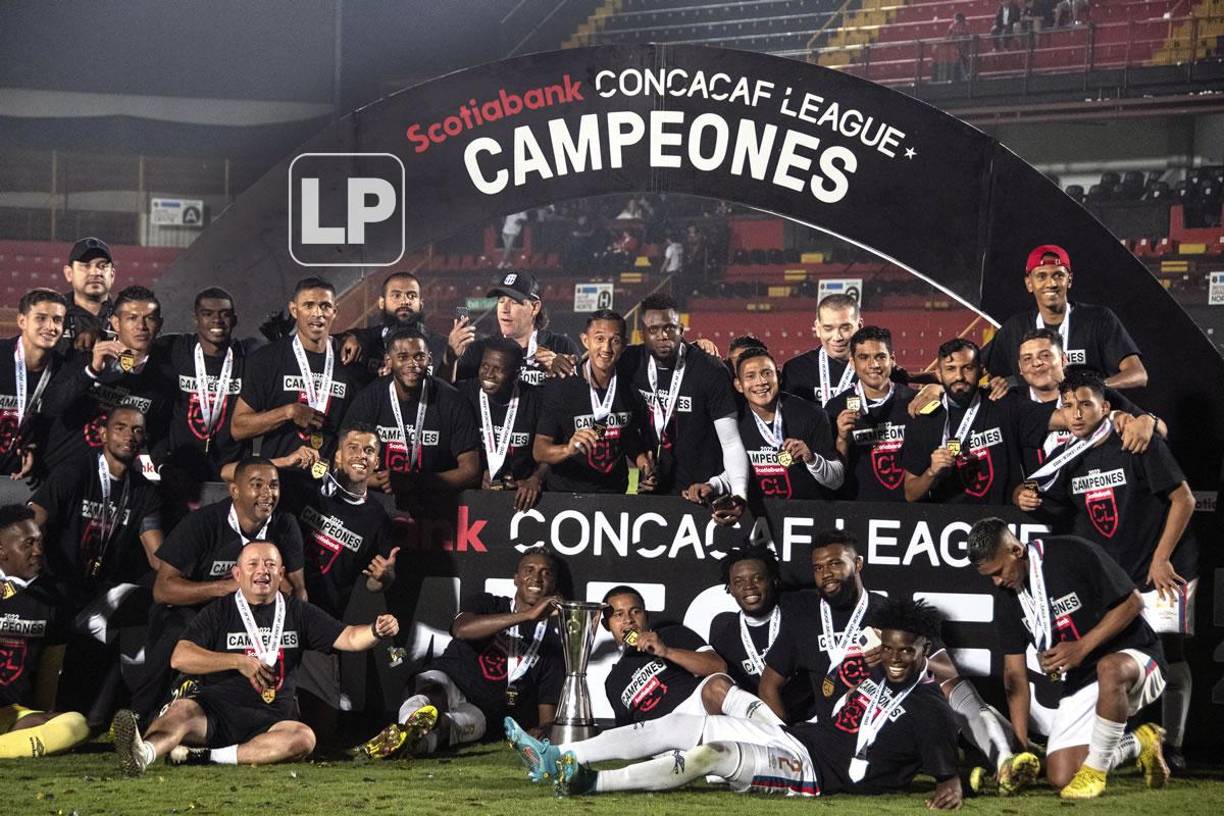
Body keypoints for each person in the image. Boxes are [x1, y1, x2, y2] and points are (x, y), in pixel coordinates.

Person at [506, 597, 963, 809]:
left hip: (813, 775)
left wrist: (953, 784)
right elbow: (828, 693)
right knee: (677, 727)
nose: (897, 659)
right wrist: (859, 657)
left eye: (909, 651)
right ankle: (560, 757)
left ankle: (591, 785)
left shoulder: (928, 707)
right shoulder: (871, 670)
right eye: (891, 648)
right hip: (797, 740)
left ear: (926, 651)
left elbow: (946, 771)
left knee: (713, 755)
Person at [110, 541, 399, 774]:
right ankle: (143, 754)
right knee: (181, 711)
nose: (263, 570)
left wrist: (375, 629)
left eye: (271, 564)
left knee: (304, 738)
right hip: (216, 715)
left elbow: (349, 637)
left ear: (281, 573)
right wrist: (237, 661)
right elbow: (180, 657)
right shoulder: (220, 610)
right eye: (254, 564)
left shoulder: (297, 611)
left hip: (272, 722)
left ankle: (206, 757)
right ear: (238, 574)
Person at [758, 530, 1022, 783]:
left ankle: (1004, 759)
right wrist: (786, 737)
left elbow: (947, 675)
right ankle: (1011, 751)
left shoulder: (892, 615)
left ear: (858, 564)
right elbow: (769, 685)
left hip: (893, 729)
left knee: (954, 691)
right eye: (818, 567)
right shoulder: (803, 621)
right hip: (837, 738)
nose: (826, 573)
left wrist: (903, 658)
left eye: (836, 563)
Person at [1047, 369, 1197, 768]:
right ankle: (1132, 743)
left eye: (1085, 404)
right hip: (1117, 579)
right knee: (1120, 656)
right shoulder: (1066, 457)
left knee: (1169, 652)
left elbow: (1184, 500)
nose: (1076, 414)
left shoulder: (1134, 440)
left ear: (1106, 407)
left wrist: (1161, 557)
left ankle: (1173, 746)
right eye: (1068, 406)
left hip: (1162, 568)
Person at [967, 518, 1169, 799]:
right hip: (1083, 679)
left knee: (1108, 667)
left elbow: (1133, 603)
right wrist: (1021, 750)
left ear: (1016, 550)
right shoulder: (1007, 597)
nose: (997, 581)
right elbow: (1015, 676)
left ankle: (1096, 773)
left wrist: (1081, 648)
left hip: (1137, 658)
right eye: (990, 576)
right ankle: (1140, 741)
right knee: (1060, 776)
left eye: (999, 571)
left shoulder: (1071, 553)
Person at [131, 456, 307, 722]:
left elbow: (299, 591)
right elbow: (163, 589)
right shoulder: (203, 523)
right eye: (257, 485)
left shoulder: (285, 525)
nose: (267, 494)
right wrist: (225, 587)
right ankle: (139, 715)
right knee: (176, 629)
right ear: (234, 490)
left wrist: (285, 598)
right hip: (198, 613)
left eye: (273, 485)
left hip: (257, 617)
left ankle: (274, 713)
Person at [356, 547, 564, 760]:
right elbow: (462, 629)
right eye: (529, 570)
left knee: (448, 727)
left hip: (482, 712)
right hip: (449, 680)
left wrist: (543, 730)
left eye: (546, 573)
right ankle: (409, 726)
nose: (537, 578)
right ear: (516, 579)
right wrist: (527, 616)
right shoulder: (488, 603)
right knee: (431, 696)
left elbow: (546, 715)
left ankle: (406, 742)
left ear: (554, 583)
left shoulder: (551, 644)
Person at [283, 423, 398, 715]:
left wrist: (382, 577)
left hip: (322, 626)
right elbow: (234, 473)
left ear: (377, 462)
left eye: (369, 451)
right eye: (354, 448)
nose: (362, 456)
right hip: (277, 614)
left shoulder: (378, 519)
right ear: (336, 457)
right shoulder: (306, 488)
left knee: (323, 727)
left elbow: (376, 584)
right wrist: (284, 463)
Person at [623, 294, 751, 515]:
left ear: (681, 329)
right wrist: (641, 460)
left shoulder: (710, 370)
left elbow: (731, 441)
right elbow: (617, 418)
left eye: (670, 328)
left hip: (702, 493)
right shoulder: (630, 362)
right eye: (653, 330)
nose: (663, 336)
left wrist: (738, 495)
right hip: (654, 491)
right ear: (641, 333)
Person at [900, 338, 1066, 505]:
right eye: (950, 369)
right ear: (938, 374)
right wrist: (931, 472)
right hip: (949, 524)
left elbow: (1066, 420)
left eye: (968, 368)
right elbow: (911, 494)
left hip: (1003, 521)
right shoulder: (925, 420)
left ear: (981, 371)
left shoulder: (1004, 403)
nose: (959, 376)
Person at [231, 277, 364, 484]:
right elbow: (238, 428)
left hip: (330, 486)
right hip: (278, 484)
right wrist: (288, 412)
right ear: (294, 310)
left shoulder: (349, 360)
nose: (317, 314)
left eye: (325, 306)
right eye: (308, 305)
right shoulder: (268, 359)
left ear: (335, 311)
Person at [29, 406, 163, 612]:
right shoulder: (73, 472)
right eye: (120, 428)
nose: (129, 436)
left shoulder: (145, 492)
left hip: (102, 593)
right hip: (57, 586)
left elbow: (157, 558)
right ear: (103, 434)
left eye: (137, 430)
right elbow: (32, 523)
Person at [39, 285, 173, 476]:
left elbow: (158, 435)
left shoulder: (162, 378)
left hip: (113, 483)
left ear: (159, 325)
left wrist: (162, 468)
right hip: (59, 474)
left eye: (149, 318)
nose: (141, 326)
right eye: (132, 318)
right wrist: (91, 371)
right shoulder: (85, 354)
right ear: (116, 323)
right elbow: (50, 407)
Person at [342, 327, 481, 510]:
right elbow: (343, 464)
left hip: (436, 508)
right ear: (388, 361)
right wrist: (383, 481)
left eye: (419, 357)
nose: (412, 364)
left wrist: (416, 482)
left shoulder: (452, 401)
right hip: (377, 505)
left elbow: (471, 472)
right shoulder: (369, 398)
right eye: (402, 357)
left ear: (429, 359)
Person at [980, 245, 1147, 391]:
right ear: (1029, 283)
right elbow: (971, 368)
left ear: (1070, 280)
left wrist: (1092, 389)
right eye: (1041, 276)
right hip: (1038, 422)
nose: (1051, 283)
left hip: (1089, 420)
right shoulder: (1015, 328)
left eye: (1058, 275)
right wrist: (997, 386)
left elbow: (1138, 375)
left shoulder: (1098, 319)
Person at [690, 347, 840, 503]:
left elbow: (836, 481)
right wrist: (712, 485)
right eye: (750, 376)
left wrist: (812, 459)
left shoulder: (811, 414)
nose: (760, 382)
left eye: (767, 373)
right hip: (759, 514)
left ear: (779, 377)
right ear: (739, 385)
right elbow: (741, 470)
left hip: (806, 516)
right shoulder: (734, 420)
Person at [0, 505, 90, 758]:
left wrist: (44, 713)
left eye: (39, 542)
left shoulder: (54, 598)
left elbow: (50, 669)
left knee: (74, 725)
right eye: (27, 544)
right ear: (2, 550)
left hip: (11, 712)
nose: (38, 551)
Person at [534, 311, 651, 495]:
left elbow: (626, 434)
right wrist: (568, 448)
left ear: (624, 345)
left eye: (615, 341)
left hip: (614, 496)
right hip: (567, 496)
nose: (606, 348)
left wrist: (643, 462)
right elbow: (540, 450)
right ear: (585, 340)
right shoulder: (563, 384)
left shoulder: (630, 386)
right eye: (599, 339)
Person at [706, 545, 814, 722]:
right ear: (730, 589)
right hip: (762, 726)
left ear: (773, 580)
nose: (749, 587)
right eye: (739, 582)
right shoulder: (724, 635)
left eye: (758, 578)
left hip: (812, 717)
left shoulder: (798, 612)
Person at [153, 287, 247, 487]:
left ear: (235, 320)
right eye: (208, 314)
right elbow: (136, 345)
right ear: (195, 319)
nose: (217, 320)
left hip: (229, 474)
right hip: (181, 472)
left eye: (225, 314)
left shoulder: (247, 354)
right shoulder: (175, 348)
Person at [598, 585, 729, 726]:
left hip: (699, 716)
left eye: (635, 611)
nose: (628, 620)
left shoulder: (671, 634)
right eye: (619, 614)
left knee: (718, 685)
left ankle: (755, 721)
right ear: (606, 625)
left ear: (646, 616)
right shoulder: (614, 681)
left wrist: (666, 651)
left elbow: (718, 667)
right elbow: (627, 733)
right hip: (661, 737)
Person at [826, 326, 916, 501]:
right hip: (859, 509)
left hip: (908, 510)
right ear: (852, 363)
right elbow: (831, 477)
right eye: (864, 357)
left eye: (880, 357)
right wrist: (842, 439)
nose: (873, 365)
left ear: (892, 359)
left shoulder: (913, 401)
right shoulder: (835, 408)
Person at [457, 339, 547, 511]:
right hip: (472, 496)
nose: (489, 374)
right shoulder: (464, 394)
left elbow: (551, 448)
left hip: (523, 499)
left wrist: (535, 479)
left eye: (498, 369)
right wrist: (473, 475)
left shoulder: (536, 400)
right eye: (484, 366)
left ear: (516, 373)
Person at [450, 272, 579, 386]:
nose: (505, 309)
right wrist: (451, 357)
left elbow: (583, 398)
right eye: (501, 301)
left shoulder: (561, 346)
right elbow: (448, 394)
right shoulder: (479, 350)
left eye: (514, 302)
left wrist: (561, 374)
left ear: (535, 308)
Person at [1, 289, 67, 479]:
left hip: (23, 476)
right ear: (22, 321)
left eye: (57, 320)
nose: (50, 327)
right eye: (41, 318)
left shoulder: (63, 371)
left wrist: (34, 445)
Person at [337, 271, 447, 380]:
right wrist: (349, 337)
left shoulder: (441, 345)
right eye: (396, 295)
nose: (404, 301)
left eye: (412, 296)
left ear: (421, 304)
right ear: (381, 303)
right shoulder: (363, 340)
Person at [780, 294, 863, 407]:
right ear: (818, 329)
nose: (837, 337)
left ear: (860, 326)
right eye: (828, 328)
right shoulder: (796, 370)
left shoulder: (874, 369)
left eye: (845, 328)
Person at [58, 237, 115, 354]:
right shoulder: (55, 315)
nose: (95, 272)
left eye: (103, 266)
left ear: (112, 275)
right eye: (86, 266)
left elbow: (133, 363)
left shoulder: (126, 317)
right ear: (69, 273)